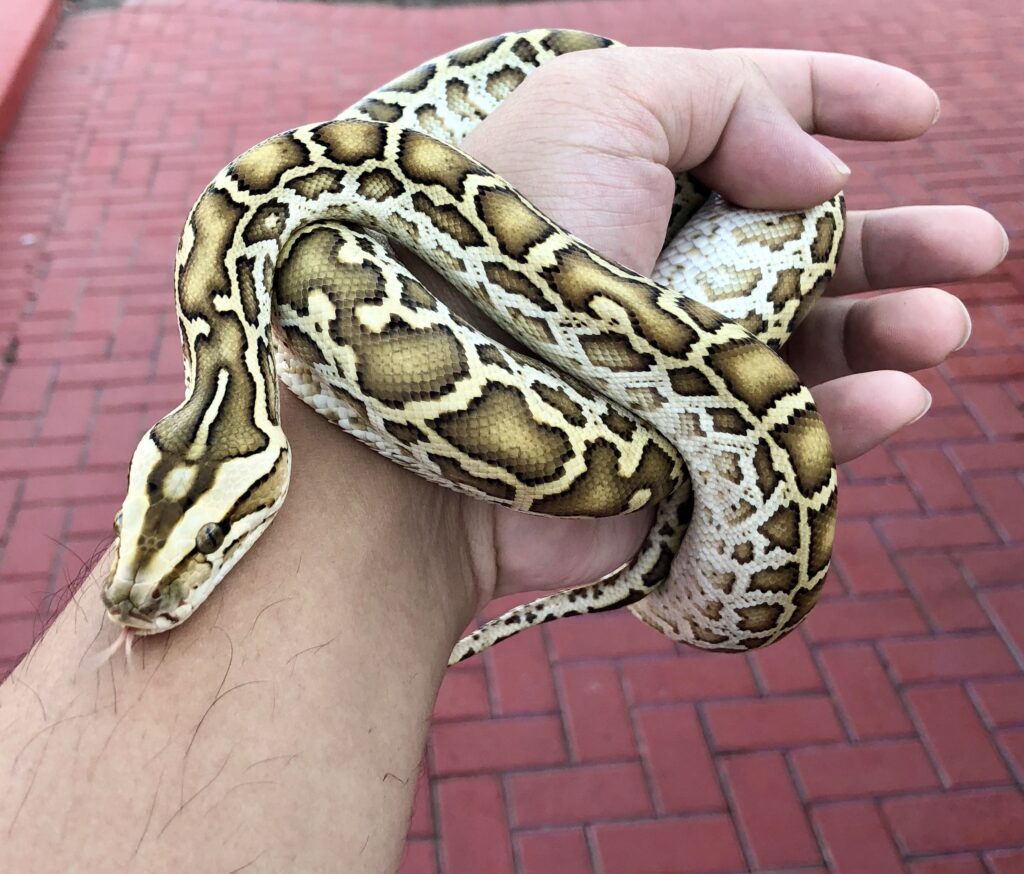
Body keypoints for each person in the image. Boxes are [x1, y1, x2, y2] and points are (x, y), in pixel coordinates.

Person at [0, 46, 1006, 873]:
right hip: (571, 388)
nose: (150, 581)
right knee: (685, 430)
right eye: (168, 533)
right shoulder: (252, 261)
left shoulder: (248, 259)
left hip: (505, 324)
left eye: (202, 536)